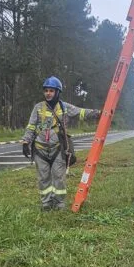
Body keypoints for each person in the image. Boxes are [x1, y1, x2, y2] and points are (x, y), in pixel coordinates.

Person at [22, 76, 101, 210]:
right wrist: (25, 142)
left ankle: (59, 203)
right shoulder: (38, 107)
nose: (48, 93)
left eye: (51, 91)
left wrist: (97, 113)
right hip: (40, 150)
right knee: (43, 178)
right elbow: (31, 126)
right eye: (46, 90)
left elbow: (80, 112)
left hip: (58, 149)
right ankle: (46, 203)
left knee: (59, 177)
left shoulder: (65, 107)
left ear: (57, 92)